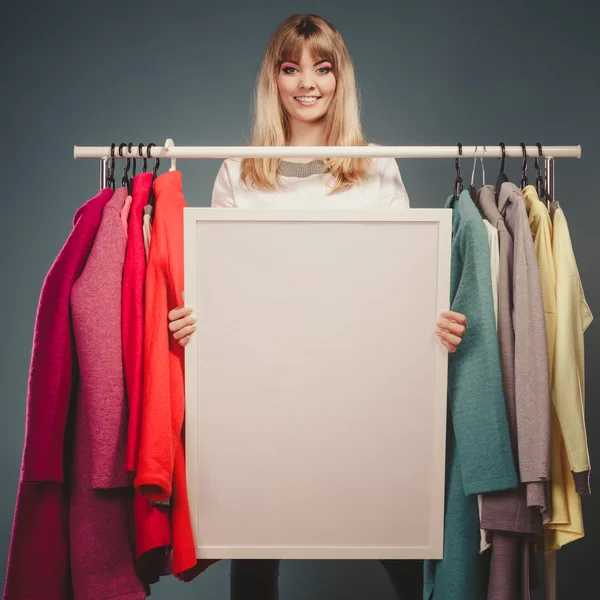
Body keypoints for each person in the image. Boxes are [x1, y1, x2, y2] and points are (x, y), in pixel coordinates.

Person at [168, 13, 467, 600]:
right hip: (264, 387)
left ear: (339, 79)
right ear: (273, 81)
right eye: (291, 68)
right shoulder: (236, 172)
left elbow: (400, 277)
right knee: (254, 546)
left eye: (322, 67)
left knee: (396, 535)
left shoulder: (376, 164)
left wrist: (439, 319)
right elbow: (221, 287)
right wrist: (189, 319)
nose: (307, 82)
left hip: (357, 382)